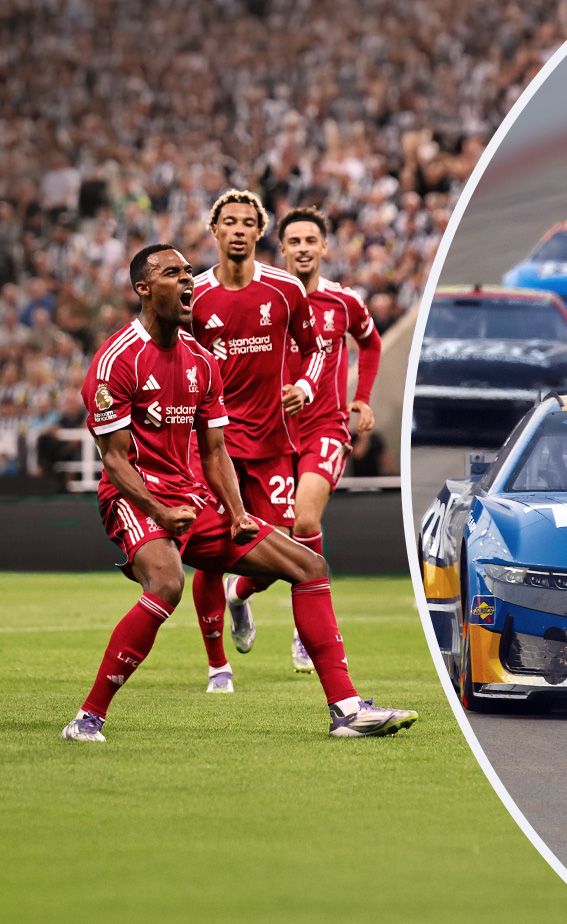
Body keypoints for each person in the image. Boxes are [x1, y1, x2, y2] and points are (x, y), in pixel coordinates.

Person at [61, 244, 417, 741]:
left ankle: (347, 710)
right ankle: (87, 719)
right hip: (135, 498)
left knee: (309, 565)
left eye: (189, 272)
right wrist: (158, 510)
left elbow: (214, 452)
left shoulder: (202, 362)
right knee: (167, 584)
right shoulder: (117, 360)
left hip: (192, 498)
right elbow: (115, 461)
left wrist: (236, 512)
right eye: (172, 273)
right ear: (143, 288)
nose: (187, 281)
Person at [224, 206, 381, 672]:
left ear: (324, 246)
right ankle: (238, 592)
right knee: (275, 545)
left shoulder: (344, 302)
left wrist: (362, 398)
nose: (303, 248)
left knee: (305, 520)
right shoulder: (267, 298)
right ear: (282, 249)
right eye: (294, 241)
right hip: (270, 434)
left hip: (324, 427)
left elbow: (371, 343)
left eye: (311, 240)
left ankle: (304, 633)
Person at [187, 189, 325, 692]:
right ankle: (217, 667)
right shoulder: (195, 297)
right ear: (215, 230)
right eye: (230, 222)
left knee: (274, 558)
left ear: (259, 231)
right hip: (212, 447)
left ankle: (240, 594)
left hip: (270, 443)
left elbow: (315, 349)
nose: (239, 229)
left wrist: (305, 386)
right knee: (210, 551)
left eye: (248, 222)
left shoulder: (285, 290)